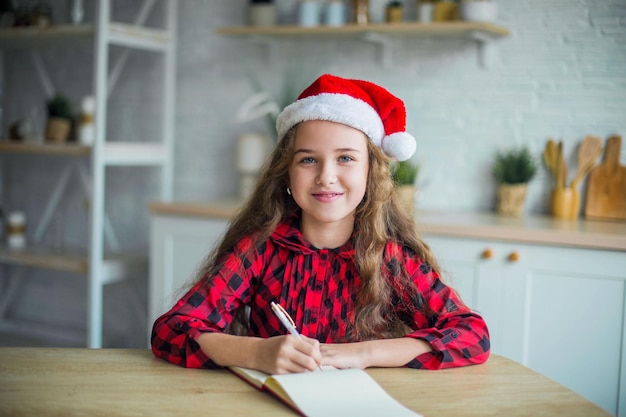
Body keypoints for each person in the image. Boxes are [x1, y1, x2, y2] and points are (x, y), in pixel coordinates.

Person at [151, 73, 490, 374]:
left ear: (370, 172)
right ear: (287, 172)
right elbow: (170, 331)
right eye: (309, 159)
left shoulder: (390, 257)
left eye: (345, 158)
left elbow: (472, 336)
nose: (326, 177)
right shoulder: (259, 249)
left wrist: (362, 354)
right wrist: (256, 352)